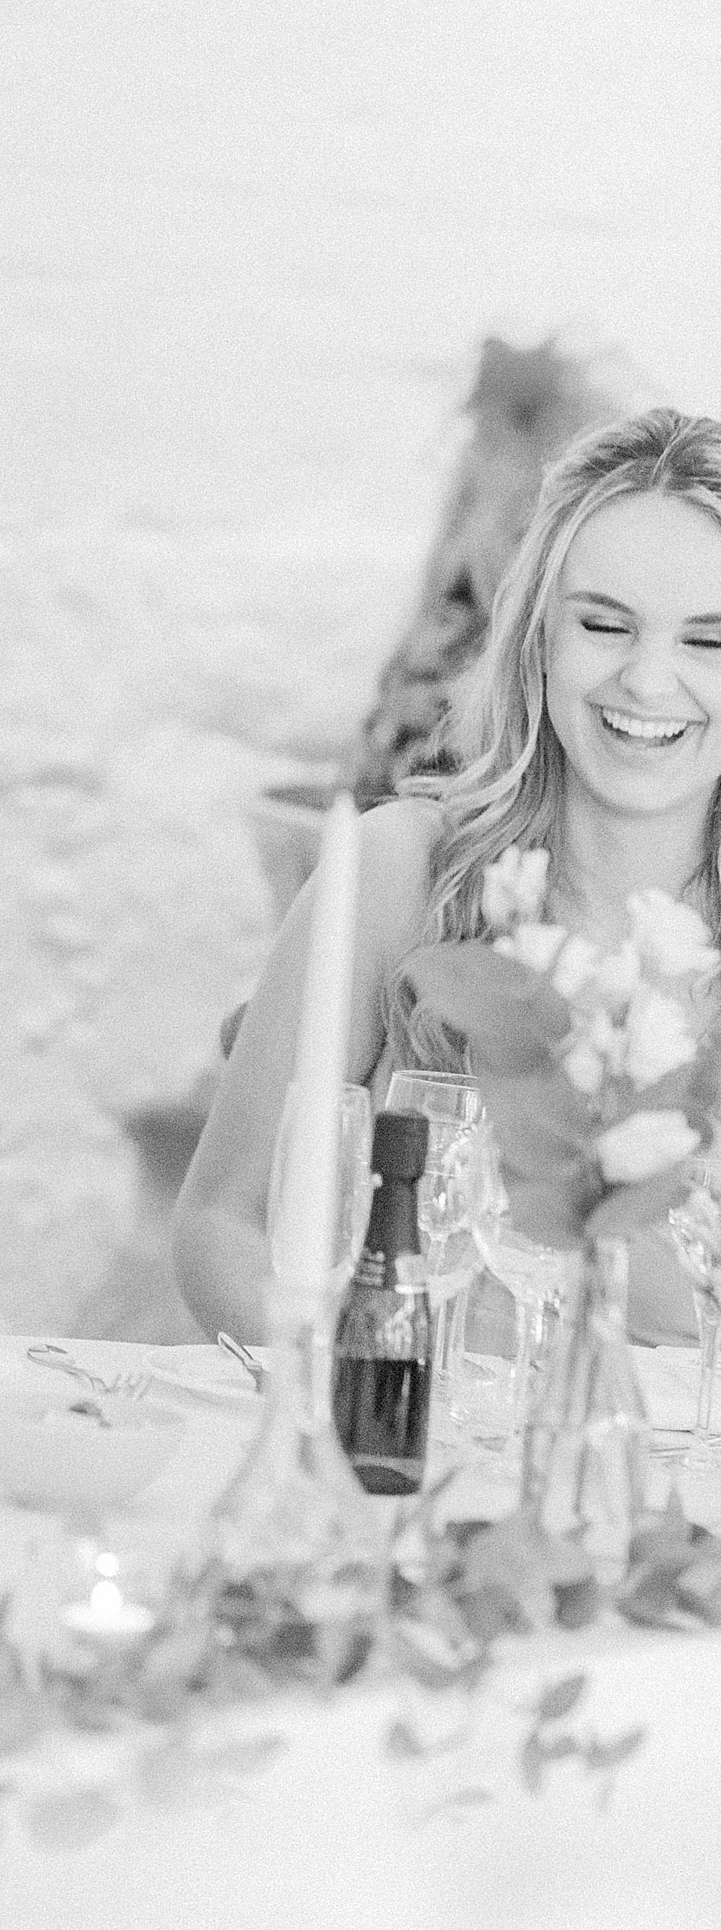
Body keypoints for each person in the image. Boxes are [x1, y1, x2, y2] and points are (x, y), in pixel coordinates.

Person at [174, 407, 721, 1346]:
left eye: (708, 641)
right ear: (536, 638)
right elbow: (221, 1227)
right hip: (413, 1465)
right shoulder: (396, 870)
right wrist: (362, 1385)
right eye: (604, 624)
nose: (648, 679)